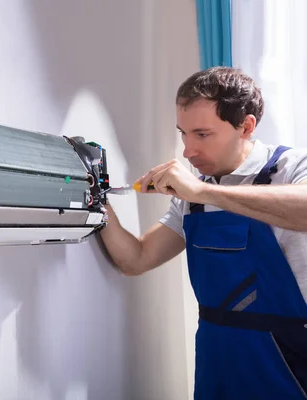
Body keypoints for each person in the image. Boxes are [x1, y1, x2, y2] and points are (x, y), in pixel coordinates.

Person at [100, 66, 307, 399]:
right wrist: (97, 204)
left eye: (202, 134)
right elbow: (136, 259)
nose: (187, 151)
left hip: (289, 362)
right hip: (216, 359)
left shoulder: (291, 168)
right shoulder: (193, 198)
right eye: (183, 133)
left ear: (246, 126)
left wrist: (202, 192)